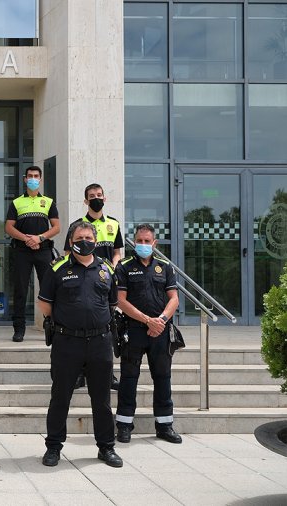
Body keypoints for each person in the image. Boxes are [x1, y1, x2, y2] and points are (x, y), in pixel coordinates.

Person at [37, 221, 123, 468]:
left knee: (102, 398)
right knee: (60, 396)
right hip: (67, 342)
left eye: (88, 237)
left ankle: (106, 447)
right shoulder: (58, 268)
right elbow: (45, 305)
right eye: (79, 237)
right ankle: (53, 447)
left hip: (100, 342)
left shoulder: (106, 269)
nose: (84, 241)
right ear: (71, 241)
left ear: (95, 241)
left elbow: (112, 303)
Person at [115, 224, 182, 444]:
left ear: (154, 244)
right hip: (133, 330)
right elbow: (121, 301)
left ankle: (164, 425)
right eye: (139, 241)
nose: (143, 244)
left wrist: (161, 321)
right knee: (129, 378)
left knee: (162, 377)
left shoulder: (165, 267)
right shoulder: (124, 267)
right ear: (134, 242)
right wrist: (147, 321)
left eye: (147, 241)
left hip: (160, 332)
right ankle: (124, 425)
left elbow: (173, 298)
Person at [65, 183, 123, 390]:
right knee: (80, 327)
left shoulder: (114, 224)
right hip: (81, 283)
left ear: (105, 198)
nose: (96, 198)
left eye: (99, 195)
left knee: (108, 328)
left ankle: (109, 374)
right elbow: (67, 254)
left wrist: (112, 268)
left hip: (105, 283)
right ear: (85, 200)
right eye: (92, 196)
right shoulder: (76, 226)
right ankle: (80, 373)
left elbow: (117, 252)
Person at [5, 166, 60, 342]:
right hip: (22, 251)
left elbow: (57, 227)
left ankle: (51, 326)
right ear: (24, 179)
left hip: (44, 251)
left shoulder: (49, 202)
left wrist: (39, 238)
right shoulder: (16, 202)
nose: (33, 179)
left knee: (48, 288)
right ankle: (19, 329)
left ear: (41, 179)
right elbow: (8, 227)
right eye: (30, 176)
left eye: (36, 176)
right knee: (20, 290)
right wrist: (27, 239)